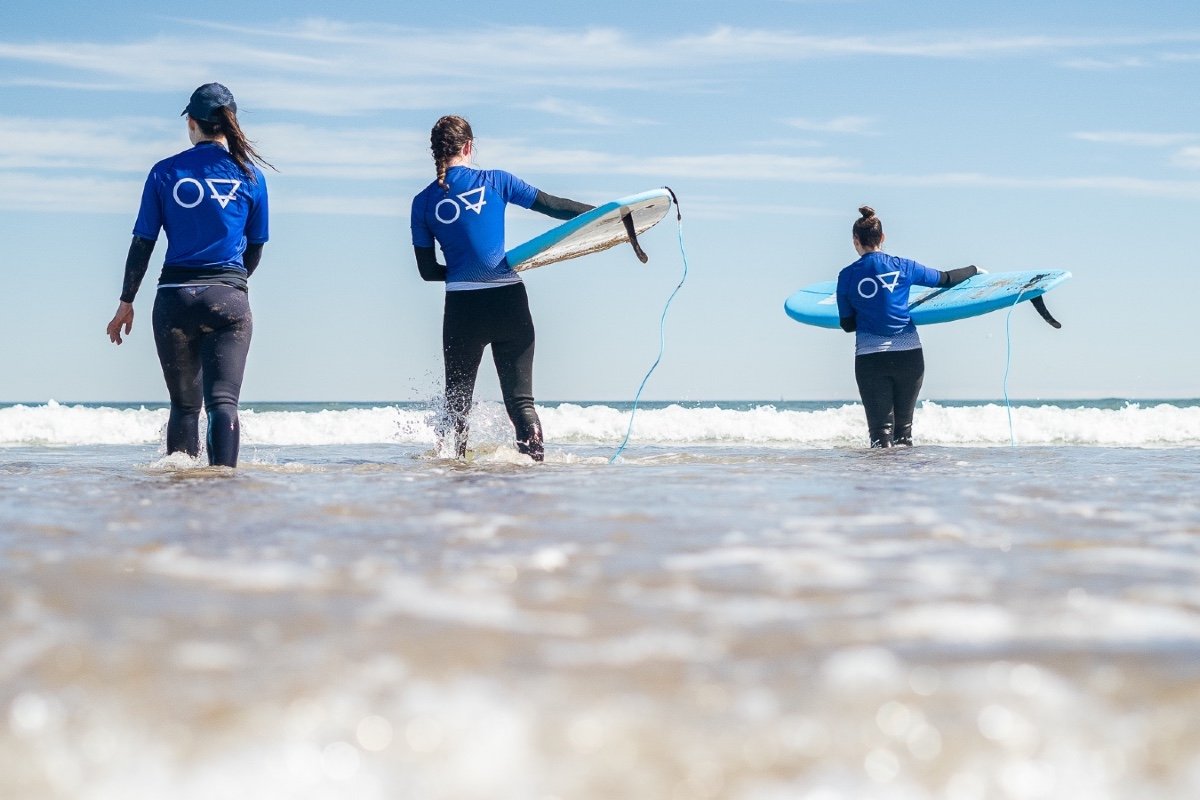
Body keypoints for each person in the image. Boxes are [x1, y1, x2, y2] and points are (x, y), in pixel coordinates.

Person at [106, 83, 272, 467]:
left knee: (184, 407)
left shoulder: (165, 172)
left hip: (174, 300)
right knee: (223, 404)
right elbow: (257, 247)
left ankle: (180, 492)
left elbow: (143, 242)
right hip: (228, 297)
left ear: (192, 123)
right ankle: (223, 489)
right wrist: (229, 286)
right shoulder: (251, 177)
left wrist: (126, 302)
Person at [411, 115, 593, 462]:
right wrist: (607, 214)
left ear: (435, 152)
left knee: (457, 402)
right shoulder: (496, 181)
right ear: (469, 146)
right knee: (521, 402)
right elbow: (554, 207)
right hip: (508, 299)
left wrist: (463, 271)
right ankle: (534, 468)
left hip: (463, 307)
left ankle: (451, 474)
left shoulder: (422, 203)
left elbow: (427, 270)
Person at [836, 206, 979, 448]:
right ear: (882, 238)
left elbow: (847, 324)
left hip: (871, 359)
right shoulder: (904, 266)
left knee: (881, 435)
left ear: (855, 241)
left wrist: (870, 309)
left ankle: (881, 483)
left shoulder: (847, 276)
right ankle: (904, 484)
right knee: (904, 433)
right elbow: (945, 279)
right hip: (909, 356)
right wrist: (974, 270)